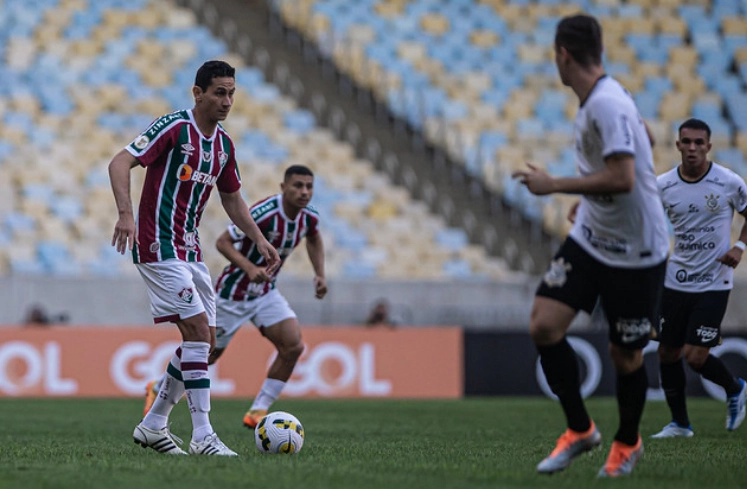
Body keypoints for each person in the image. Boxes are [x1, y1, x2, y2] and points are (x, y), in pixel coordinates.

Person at [512, 14, 669, 478]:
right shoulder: (603, 101)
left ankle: (627, 442)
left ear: (563, 54)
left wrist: (555, 184)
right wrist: (588, 199)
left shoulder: (605, 105)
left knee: (626, 356)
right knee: (544, 324)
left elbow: (622, 176)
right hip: (593, 237)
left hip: (637, 252)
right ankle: (580, 430)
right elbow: (645, 141)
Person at [109, 60, 280, 456]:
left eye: (232, 93)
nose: (227, 101)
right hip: (158, 244)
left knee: (205, 339)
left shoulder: (223, 145)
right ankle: (203, 434)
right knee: (199, 333)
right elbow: (121, 162)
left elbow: (233, 198)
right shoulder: (175, 127)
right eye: (219, 92)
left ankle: (153, 425)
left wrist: (259, 239)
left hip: (190, 249)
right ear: (197, 93)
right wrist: (125, 215)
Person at [143, 164, 326, 430]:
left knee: (293, 345)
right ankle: (158, 387)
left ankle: (258, 409)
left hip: (265, 293)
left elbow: (314, 238)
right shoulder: (264, 213)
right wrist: (250, 268)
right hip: (232, 294)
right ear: (283, 187)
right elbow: (222, 242)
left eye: (309, 187)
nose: (304, 192)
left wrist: (319, 273)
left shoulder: (309, 216)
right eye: (298, 185)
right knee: (207, 355)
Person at [652, 118, 747, 438]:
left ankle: (735, 388)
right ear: (677, 145)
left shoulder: (728, 181)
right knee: (666, 352)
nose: (692, 148)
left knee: (695, 357)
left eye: (698, 143)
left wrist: (740, 246)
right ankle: (680, 424)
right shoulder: (663, 185)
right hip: (675, 280)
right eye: (686, 142)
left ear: (708, 146)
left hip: (713, 281)